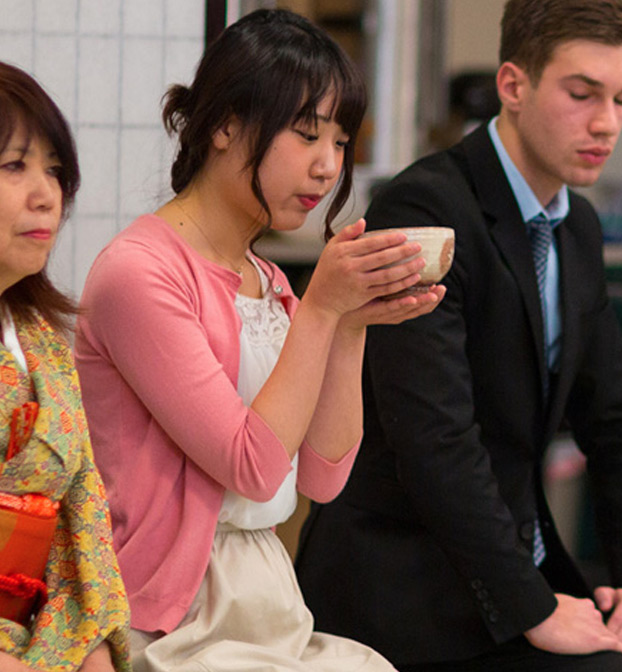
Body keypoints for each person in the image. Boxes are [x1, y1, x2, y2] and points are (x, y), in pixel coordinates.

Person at [293, 2, 622, 671]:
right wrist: (534, 608)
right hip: (415, 589)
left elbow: (615, 420)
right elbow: (434, 441)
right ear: (513, 86)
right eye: (582, 94)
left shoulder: (577, 227)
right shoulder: (424, 208)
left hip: (519, 574)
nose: (607, 122)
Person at [74, 10, 442, 672]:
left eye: (340, 141)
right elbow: (252, 465)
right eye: (306, 135)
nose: (328, 167)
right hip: (167, 612)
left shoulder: (268, 279)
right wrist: (323, 312)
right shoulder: (139, 272)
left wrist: (351, 322)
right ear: (224, 125)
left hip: (266, 595)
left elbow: (325, 480)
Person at [0, 60, 132, 672]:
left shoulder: (43, 340)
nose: (46, 193)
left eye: (55, 170)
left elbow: (83, 513)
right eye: (14, 166)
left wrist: (93, 647)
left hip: (41, 642)